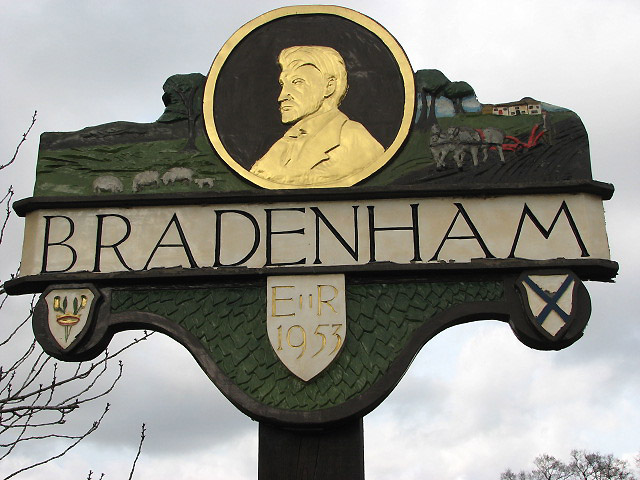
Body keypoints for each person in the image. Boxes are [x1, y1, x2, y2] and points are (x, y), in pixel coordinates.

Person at [250, 45, 384, 186]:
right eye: (283, 84)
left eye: (297, 82)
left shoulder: (355, 140)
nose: (281, 96)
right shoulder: (284, 143)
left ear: (329, 86)